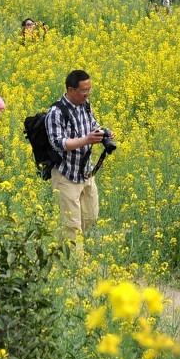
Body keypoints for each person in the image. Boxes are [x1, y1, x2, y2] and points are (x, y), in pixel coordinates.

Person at [43, 69, 111, 249]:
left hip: (86, 172)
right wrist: (87, 140)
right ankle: (75, 267)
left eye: (89, 89)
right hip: (66, 175)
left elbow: (93, 125)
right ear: (70, 89)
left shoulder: (85, 105)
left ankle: (71, 252)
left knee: (90, 217)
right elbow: (59, 143)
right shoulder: (56, 112)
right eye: (83, 90)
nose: (87, 93)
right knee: (72, 226)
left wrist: (102, 133)